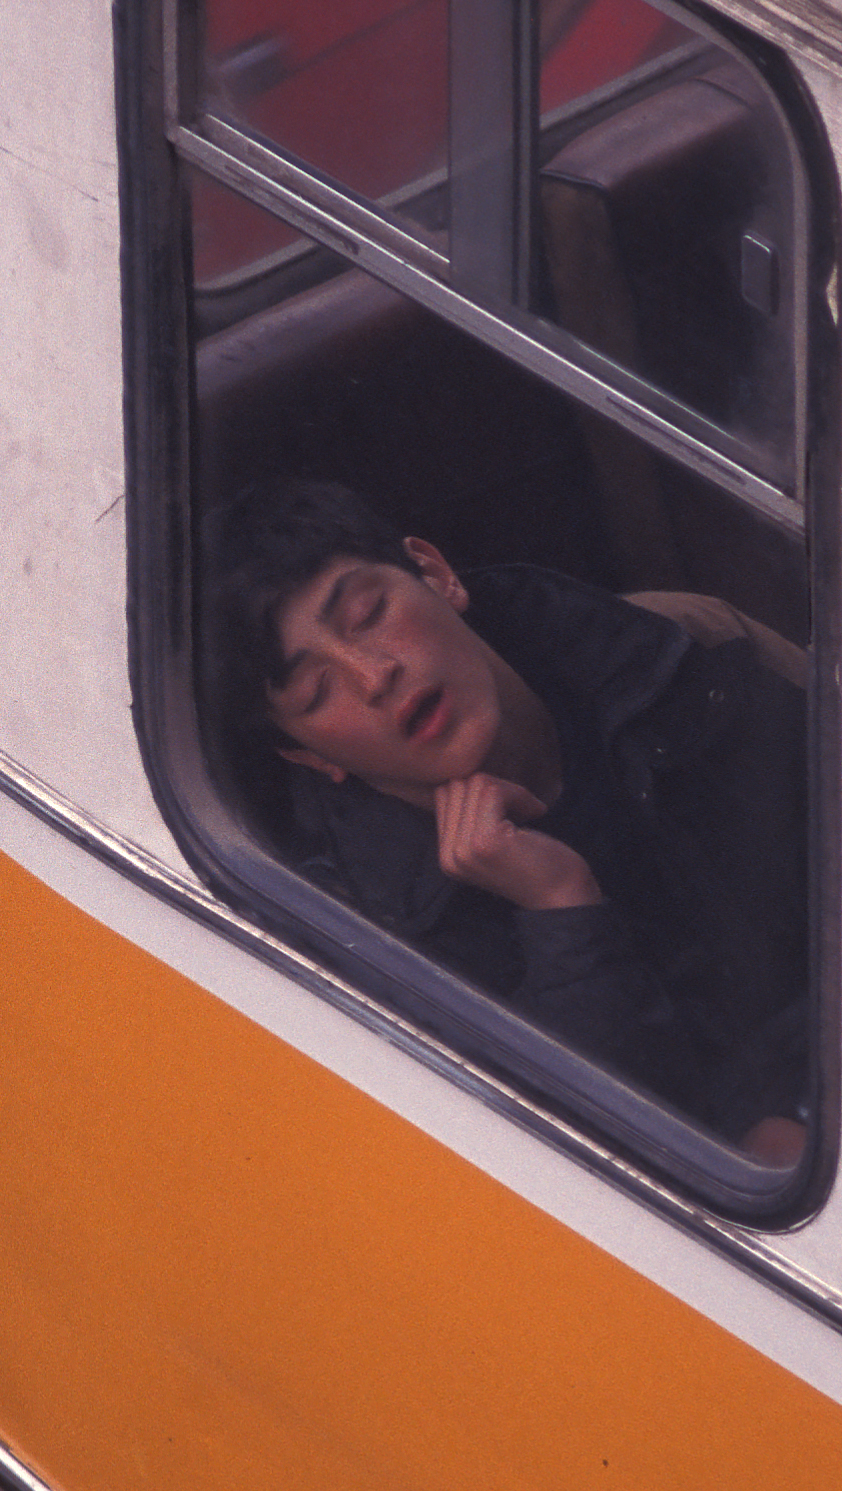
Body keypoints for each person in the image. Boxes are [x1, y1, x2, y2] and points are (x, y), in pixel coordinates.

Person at [201, 479, 809, 1155]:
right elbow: (584, 1160)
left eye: (368, 614)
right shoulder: (364, 943)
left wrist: (789, 1109)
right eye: (318, 692)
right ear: (309, 757)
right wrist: (561, 910)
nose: (373, 676)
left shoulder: (673, 639)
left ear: (436, 574)